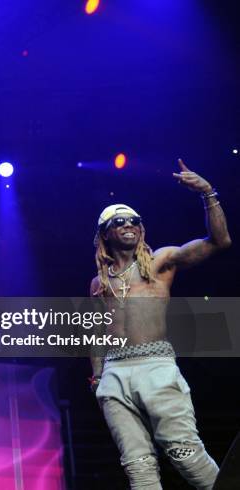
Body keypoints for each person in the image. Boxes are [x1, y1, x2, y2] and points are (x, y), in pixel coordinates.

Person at [90, 159, 231, 489]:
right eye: (119, 221)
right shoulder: (98, 282)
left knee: (185, 453)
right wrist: (98, 374)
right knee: (136, 463)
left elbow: (219, 242)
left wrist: (208, 193)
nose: (129, 225)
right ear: (105, 233)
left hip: (155, 366)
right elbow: (97, 329)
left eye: (135, 220)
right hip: (113, 375)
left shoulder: (160, 261)